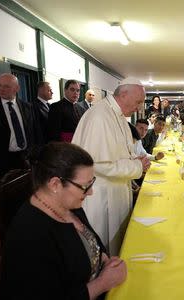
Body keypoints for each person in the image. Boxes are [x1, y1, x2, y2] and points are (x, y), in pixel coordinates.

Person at [0, 142, 127, 300]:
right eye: (85, 186)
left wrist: (104, 260)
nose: (91, 192)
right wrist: (103, 282)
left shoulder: (69, 205)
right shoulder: (29, 235)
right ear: (55, 184)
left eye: (92, 183)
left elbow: (91, 242)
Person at [72, 78, 151, 255]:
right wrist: (137, 166)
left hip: (116, 190)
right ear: (123, 94)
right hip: (101, 196)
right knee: (106, 248)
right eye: (138, 102)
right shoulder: (100, 116)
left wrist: (134, 159)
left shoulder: (119, 116)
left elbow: (119, 152)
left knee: (120, 245)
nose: (139, 107)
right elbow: (99, 164)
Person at [32, 81, 53, 146]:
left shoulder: (50, 106)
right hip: (42, 144)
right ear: (41, 91)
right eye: (49, 90)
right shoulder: (33, 106)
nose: (52, 93)